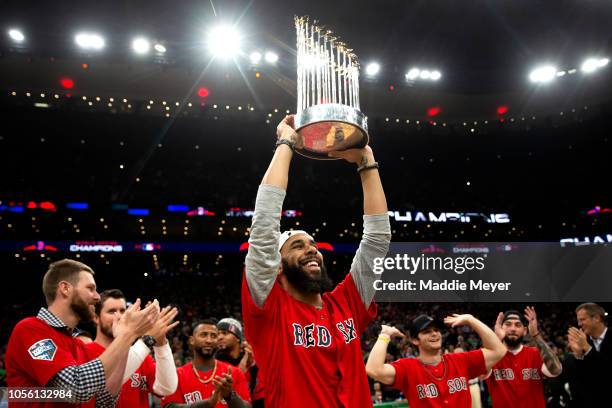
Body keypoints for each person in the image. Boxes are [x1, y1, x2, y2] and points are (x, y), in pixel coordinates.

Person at [242, 115, 391, 407]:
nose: (311, 250)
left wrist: (366, 161)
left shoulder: (347, 302)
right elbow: (263, 227)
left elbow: (376, 241)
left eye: (313, 244)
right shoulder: (269, 308)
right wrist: (286, 142)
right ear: (278, 266)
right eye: (297, 246)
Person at [5, 259, 159, 407]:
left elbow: (104, 402)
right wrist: (127, 334)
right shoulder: (29, 329)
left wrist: (126, 338)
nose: (97, 297)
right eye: (90, 288)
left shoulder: (80, 346)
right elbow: (74, 389)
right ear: (65, 288)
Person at [366, 314, 506, 407]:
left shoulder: (461, 360)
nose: (434, 333)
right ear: (415, 340)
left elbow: (498, 350)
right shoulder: (407, 367)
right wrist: (384, 335)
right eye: (426, 331)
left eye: (436, 330)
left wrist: (471, 320)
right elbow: (373, 369)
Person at [87, 289, 179, 408]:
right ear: (96, 318)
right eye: (111, 312)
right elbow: (101, 388)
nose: (119, 316)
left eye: (123, 311)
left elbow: (166, 389)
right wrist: (148, 339)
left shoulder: (140, 355)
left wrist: (161, 343)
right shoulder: (84, 350)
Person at [162, 319, 251, 408]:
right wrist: (208, 403)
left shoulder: (233, 373)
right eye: (203, 335)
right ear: (192, 340)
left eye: (213, 336)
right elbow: (169, 406)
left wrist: (230, 395)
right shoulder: (177, 375)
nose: (209, 340)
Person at [485, 308, 562, 408]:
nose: (513, 328)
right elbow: (481, 371)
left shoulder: (536, 354)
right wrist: (495, 339)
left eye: (518, 325)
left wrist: (535, 335)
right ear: (500, 328)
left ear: (525, 330)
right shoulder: (493, 357)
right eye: (508, 324)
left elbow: (556, 370)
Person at [564, 302, 610, 406]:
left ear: (597, 318)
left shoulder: (585, 344)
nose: (579, 324)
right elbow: (581, 381)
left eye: (582, 319)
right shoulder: (583, 342)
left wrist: (587, 348)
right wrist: (578, 355)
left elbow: (606, 372)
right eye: (578, 320)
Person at [216, 318, 263, 407]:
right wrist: (239, 373)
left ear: (238, 338)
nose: (220, 337)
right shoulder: (214, 363)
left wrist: (254, 369)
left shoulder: (251, 362)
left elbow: (259, 398)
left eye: (225, 333)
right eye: (217, 334)